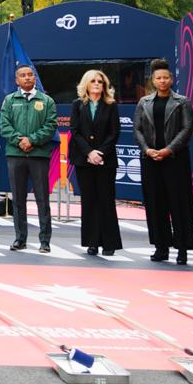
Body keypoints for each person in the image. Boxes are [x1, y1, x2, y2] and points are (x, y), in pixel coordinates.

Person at [133, 59, 193, 264]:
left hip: (175, 160)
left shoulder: (183, 101)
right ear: (153, 80)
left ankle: (182, 249)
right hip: (150, 159)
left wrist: (168, 150)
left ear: (172, 79)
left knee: (179, 204)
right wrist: (147, 149)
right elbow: (137, 129)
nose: (162, 81)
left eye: (166, 78)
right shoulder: (144, 102)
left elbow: (187, 129)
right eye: (158, 78)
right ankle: (161, 247)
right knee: (155, 203)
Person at [0, 64, 58, 252]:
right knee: (18, 199)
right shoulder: (9, 100)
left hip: (38, 155)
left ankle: (45, 241)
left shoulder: (47, 101)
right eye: (22, 76)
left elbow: (50, 126)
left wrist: (32, 140)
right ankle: (20, 239)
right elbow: (4, 125)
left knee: (42, 199)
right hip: (15, 155)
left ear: (34, 78)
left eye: (30, 75)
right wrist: (19, 141)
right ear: (16, 80)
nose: (27, 78)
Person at [68, 69, 123, 256]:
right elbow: (75, 131)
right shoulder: (77, 105)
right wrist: (89, 152)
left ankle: (109, 243)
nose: (97, 84)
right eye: (93, 81)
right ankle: (92, 242)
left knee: (106, 200)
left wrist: (100, 153)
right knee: (89, 200)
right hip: (83, 160)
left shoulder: (111, 105)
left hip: (105, 161)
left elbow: (114, 132)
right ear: (86, 84)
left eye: (100, 81)